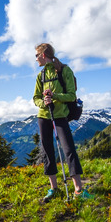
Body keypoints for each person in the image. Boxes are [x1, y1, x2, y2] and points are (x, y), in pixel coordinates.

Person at [33, 43, 90, 202]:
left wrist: (54, 96)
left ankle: (78, 190)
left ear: (43, 55)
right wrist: (44, 102)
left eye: (36, 56)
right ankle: (54, 189)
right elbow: (35, 98)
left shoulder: (64, 70)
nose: (36, 59)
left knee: (69, 149)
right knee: (47, 151)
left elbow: (71, 96)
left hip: (59, 115)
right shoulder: (41, 75)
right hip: (44, 116)